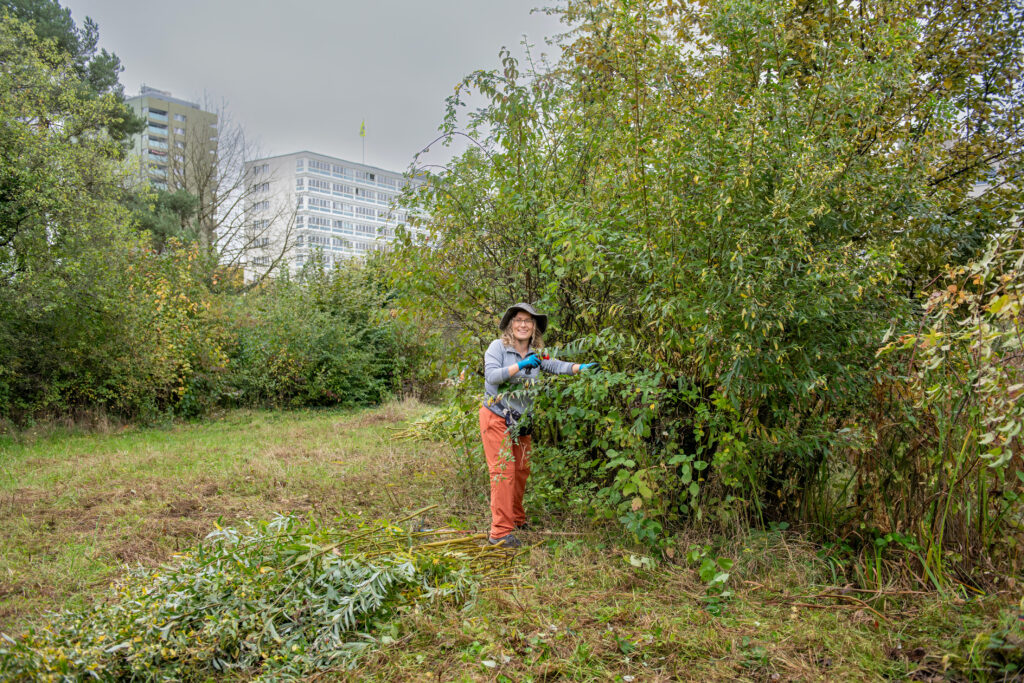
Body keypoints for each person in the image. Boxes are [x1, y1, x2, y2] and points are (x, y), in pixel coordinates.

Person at [481, 302, 599, 547]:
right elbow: (492, 376)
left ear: (534, 327)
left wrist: (581, 369)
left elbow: (555, 365)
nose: (523, 324)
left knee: (521, 470)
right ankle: (499, 533)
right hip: (496, 416)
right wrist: (520, 366)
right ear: (510, 325)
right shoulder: (498, 348)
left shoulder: (537, 353)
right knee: (503, 472)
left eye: (528, 321)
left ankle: (515, 517)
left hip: (521, 421)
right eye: (518, 320)